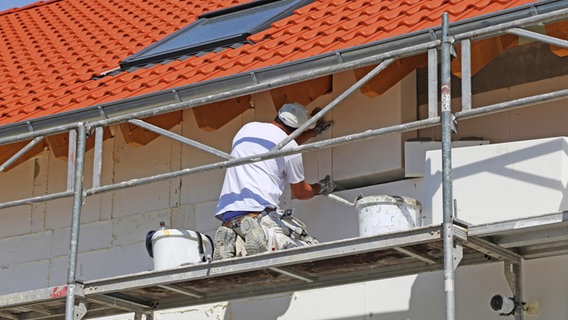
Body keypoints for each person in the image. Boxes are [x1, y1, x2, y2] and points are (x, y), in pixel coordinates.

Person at [213, 102, 335, 260]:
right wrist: (321, 186)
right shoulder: (291, 149)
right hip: (259, 213)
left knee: (241, 253)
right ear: (298, 128)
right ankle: (260, 233)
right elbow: (301, 193)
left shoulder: (247, 129)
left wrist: (312, 133)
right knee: (303, 244)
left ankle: (230, 238)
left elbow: (276, 146)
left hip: (228, 213)